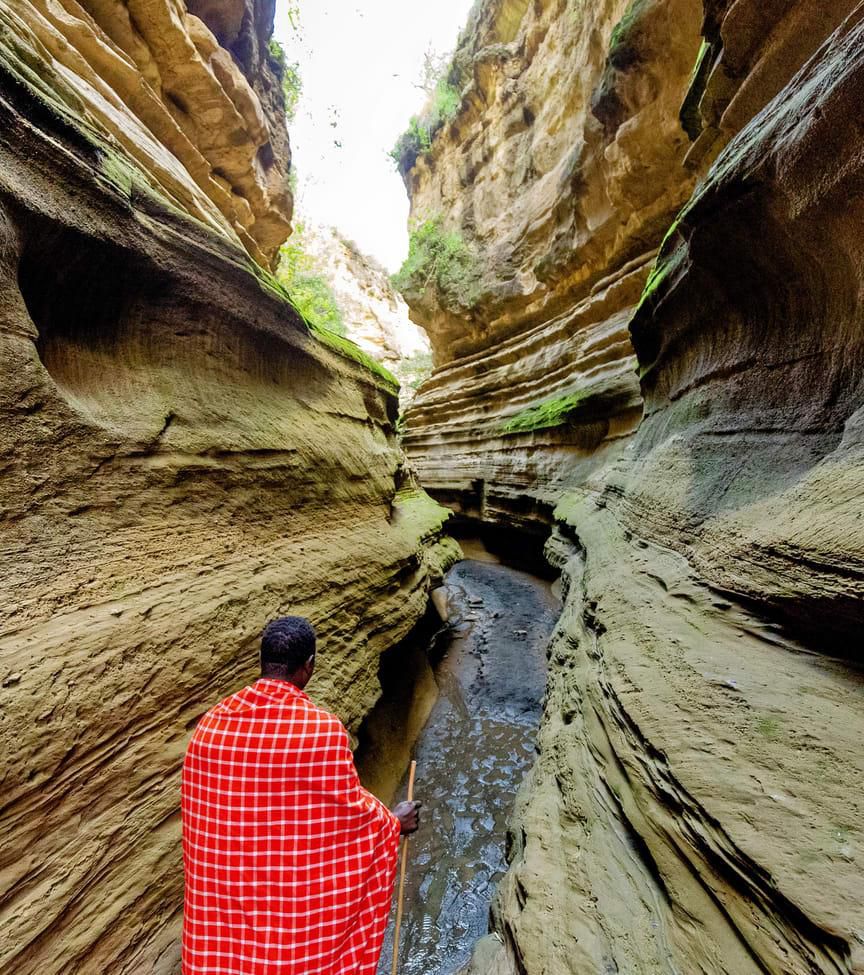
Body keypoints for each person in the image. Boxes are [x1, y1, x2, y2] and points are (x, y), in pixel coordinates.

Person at [181, 616, 421, 975]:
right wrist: (393, 823)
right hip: (287, 945)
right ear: (309, 667)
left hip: (220, 940)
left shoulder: (211, 727)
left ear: (262, 662)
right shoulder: (321, 732)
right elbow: (350, 814)